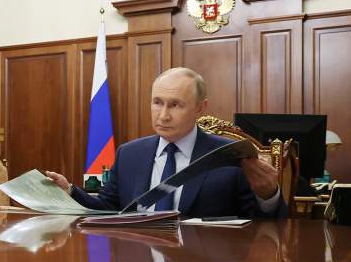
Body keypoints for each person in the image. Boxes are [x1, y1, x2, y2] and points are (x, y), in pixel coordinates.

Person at [45, 67, 287, 218]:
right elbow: (109, 209)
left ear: (200, 107)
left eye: (175, 105)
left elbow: (263, 228)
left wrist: (268, 196)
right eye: (157, 102)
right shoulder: (129, 154)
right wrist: (70, 191)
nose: (163, 115)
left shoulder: (231, 156)